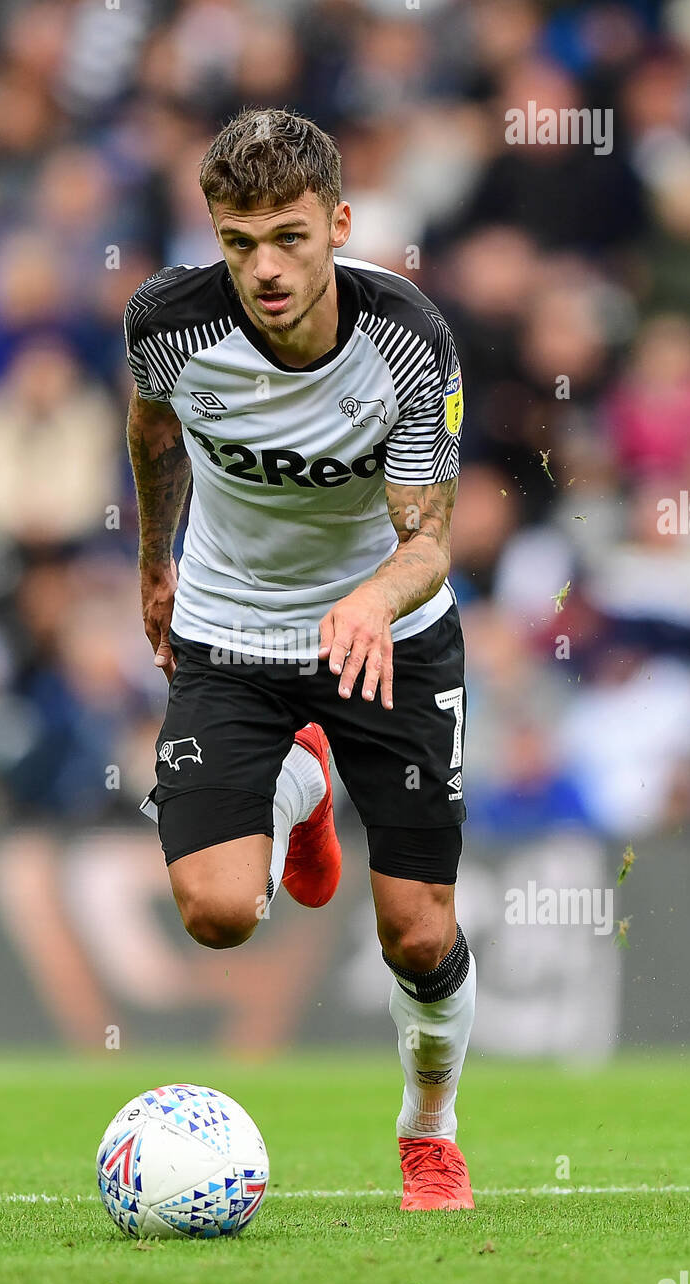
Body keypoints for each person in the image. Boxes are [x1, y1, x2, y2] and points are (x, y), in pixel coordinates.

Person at [124, 108, 475, 1211]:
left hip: (390, 637)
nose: (263, 269)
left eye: (288, 237)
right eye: (237, 243)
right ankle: (299, 781)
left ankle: (429, 1131)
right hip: (229, 632)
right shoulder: (167, 324)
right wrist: (153, 563)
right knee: (217, 913)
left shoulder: (407, 339)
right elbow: (151, 435)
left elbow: (428, 536)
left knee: (416, 932)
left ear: (339, 223)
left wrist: (370, 600)